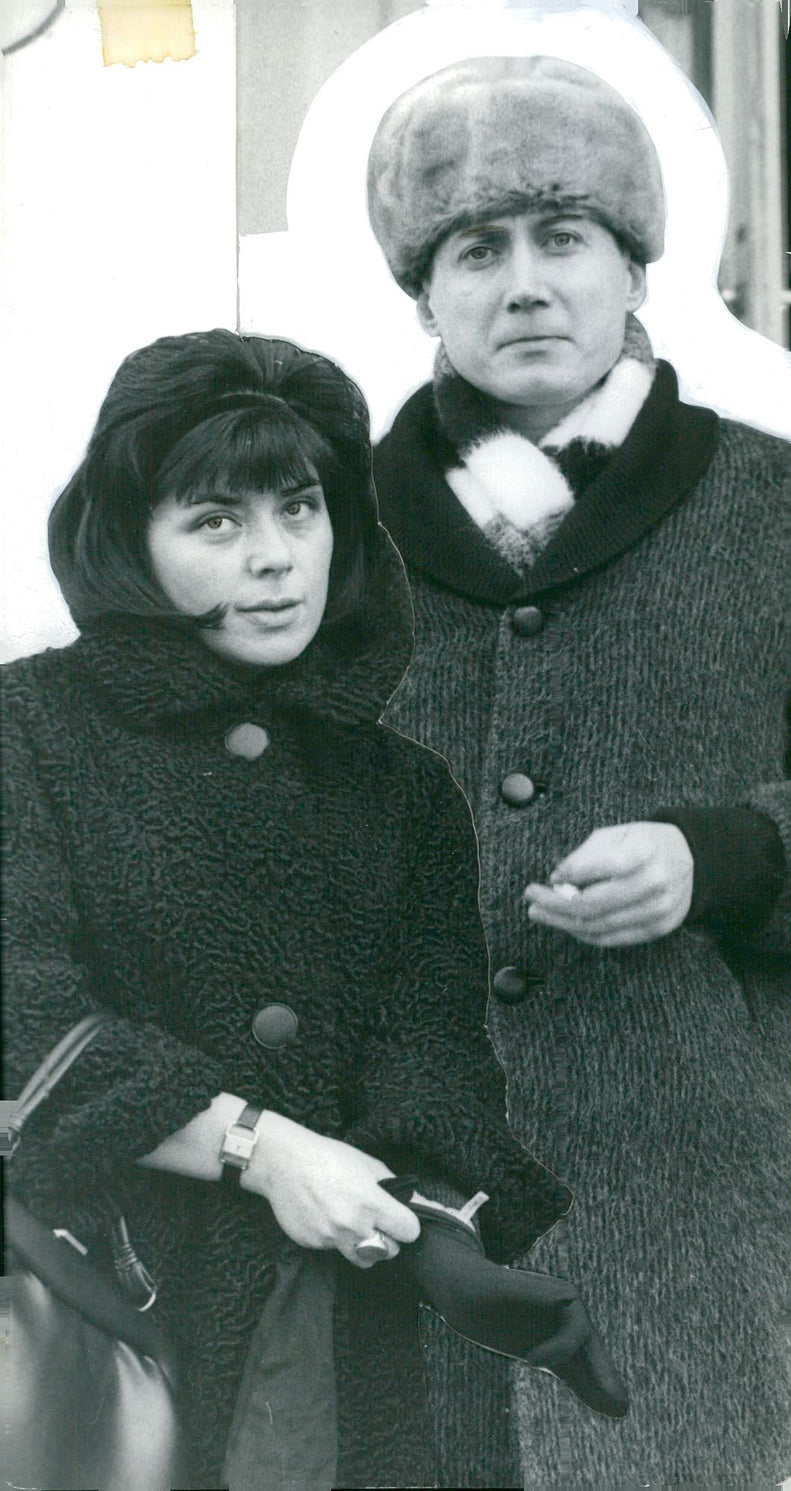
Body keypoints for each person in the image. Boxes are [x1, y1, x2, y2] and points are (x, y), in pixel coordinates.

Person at [2, 329, 634, 1491]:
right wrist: (262, 1149)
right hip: (113, 1311)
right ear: (129, 545)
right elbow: (22, 1014)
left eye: (299, 509)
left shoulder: (397, 788)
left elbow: (432, 1052)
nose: (273, 560)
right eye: (215, 522)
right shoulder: (29, 734)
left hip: (362, 1343)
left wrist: (441, 1229)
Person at [367, 56, 791, 1489]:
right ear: (423, 292)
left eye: (566, 237)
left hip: (700, 1195)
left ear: (635, 270)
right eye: (476, 248)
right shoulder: (324, 538)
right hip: (403, 1211)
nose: (525, 282)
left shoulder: (776, 507)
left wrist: (725, 852)